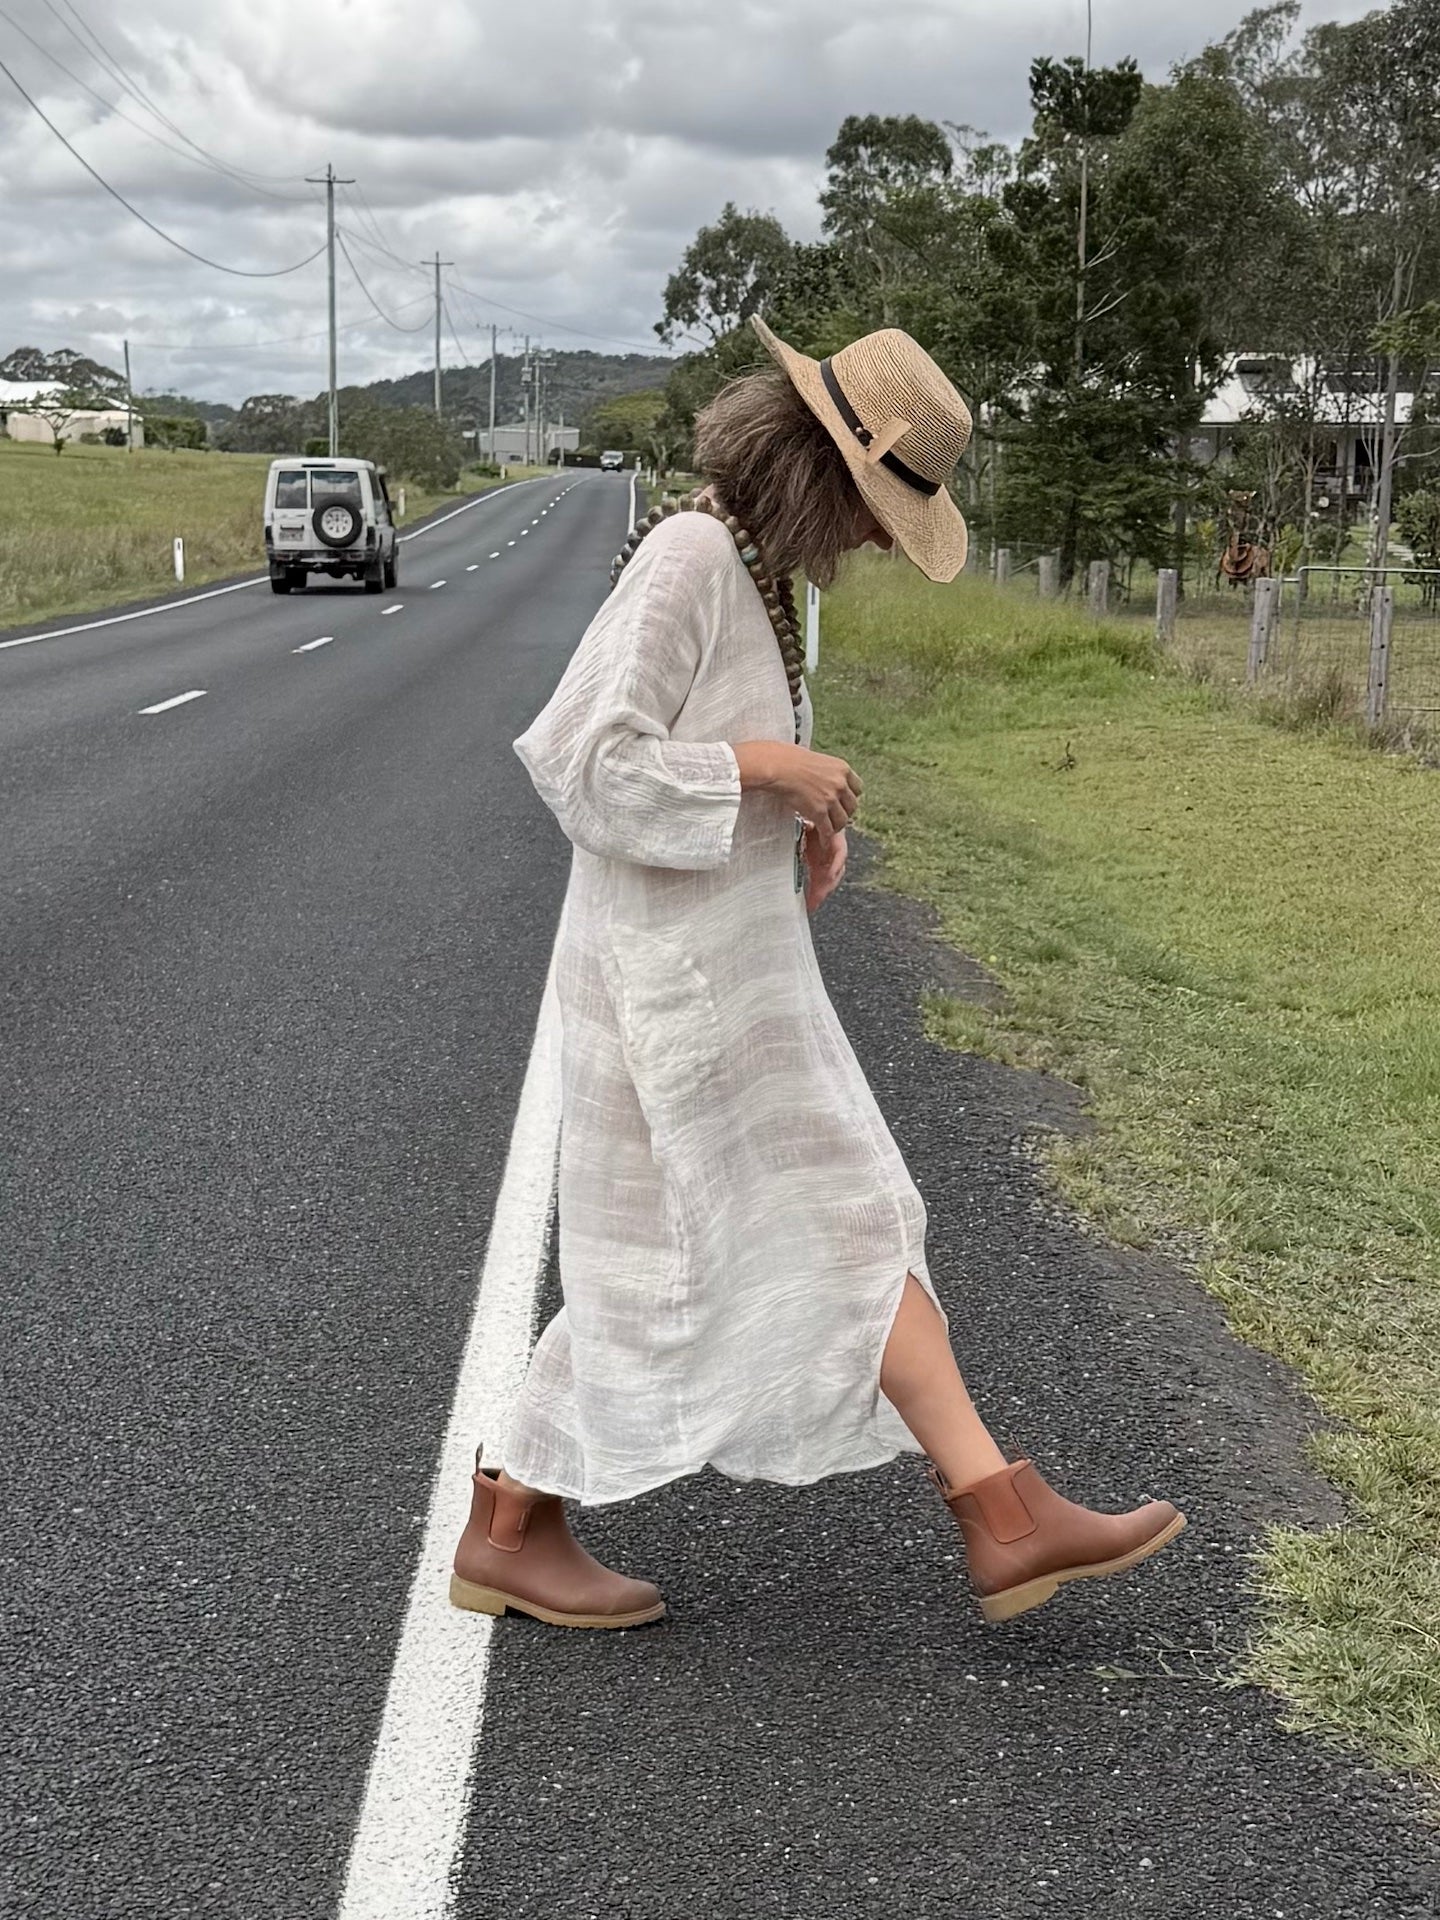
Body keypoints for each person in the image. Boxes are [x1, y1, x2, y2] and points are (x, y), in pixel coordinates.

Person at [450, 317, 1185, 1630]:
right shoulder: (687, 557)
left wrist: (800, 819)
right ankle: (999, 1513)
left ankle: (514, 1522)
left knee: (699, 1250)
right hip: (670, 988)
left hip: (727, 970)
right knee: (800, 1226)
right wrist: (767, 772)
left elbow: (711, 749)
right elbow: (582, 761)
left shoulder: (755, 577)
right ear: (817, 468)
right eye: (874, 507)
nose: (869, 542)